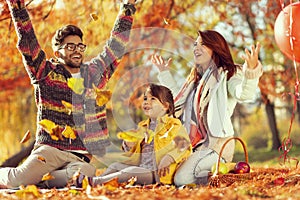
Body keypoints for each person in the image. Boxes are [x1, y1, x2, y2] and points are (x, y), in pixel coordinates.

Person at [0, 0, 136, 189]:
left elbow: (116, 47)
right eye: (70, 46)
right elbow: (28, 43)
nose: (77, 51)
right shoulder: (45, 72)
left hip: (80, 157)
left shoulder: (94, 74)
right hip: (50, 151)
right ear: (57, 51)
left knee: (83, 177)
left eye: (80, 46)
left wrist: (127, 8)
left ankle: (42, 179)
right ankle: (12, 175)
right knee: (17, 181)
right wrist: (18, 9)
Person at [151, 30, 263, 186]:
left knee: (181, 179)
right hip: (196, 146)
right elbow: (176, 101)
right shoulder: (196, 79)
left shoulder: (228, 74)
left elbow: (243, 93)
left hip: (217, 146)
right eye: (195, 44)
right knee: (168, 175)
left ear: (215, 48)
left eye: (202, 44)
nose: (196, 47)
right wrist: (164, 73)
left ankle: (226, 170)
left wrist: (251, 71)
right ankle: (215, 174)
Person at [75, 84, 192, 187]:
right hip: (141, 167)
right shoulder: (143, 126)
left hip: (157, 174)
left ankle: (95, 182)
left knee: (130, 172)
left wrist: (168, 159)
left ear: (165, 106)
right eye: (145, 98)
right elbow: (134, 152)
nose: (146, 101)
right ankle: (95, 182)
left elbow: (183, 145)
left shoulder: (173, 124)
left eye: (153, 99)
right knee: (115, 165)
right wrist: (128, 145)